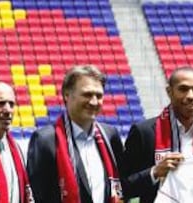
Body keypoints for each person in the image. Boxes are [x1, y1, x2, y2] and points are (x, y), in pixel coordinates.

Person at [121, 66, 193, 202]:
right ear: (169, 92)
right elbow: (123, 187)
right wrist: (155, 172)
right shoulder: (144, 132)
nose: (190, 96)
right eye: (183, 89)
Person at [26, 65, 123, 203]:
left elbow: (123, 185)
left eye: (99, 95)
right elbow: (37, 195)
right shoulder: (45, 139)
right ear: (67, 95)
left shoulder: (110, 135)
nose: (94, 101)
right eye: (87, 95)